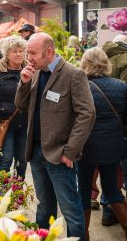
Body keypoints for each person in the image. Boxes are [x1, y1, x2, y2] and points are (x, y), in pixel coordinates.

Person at [15, 32, 95, 240]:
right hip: (36, 152)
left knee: (71, 212)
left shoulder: (73, 74)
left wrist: (71, 151)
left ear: (49, 51)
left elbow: (87, 114)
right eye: (27, 53)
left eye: (32, 53)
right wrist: (23, 83)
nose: (28, 58)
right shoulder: (35, 72)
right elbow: (21, 106)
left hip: (60, 154)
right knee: (44, 207)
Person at [77, 47, 127, 240]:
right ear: (106, 63)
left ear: (85, 64)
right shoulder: (121, 86)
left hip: (86, 147)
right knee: (112, 189)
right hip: (112, 147)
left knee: (83, 191)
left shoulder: (80, 86)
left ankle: (84, 235)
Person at [0, 36, 28, 178]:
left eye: (21, 51)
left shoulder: (31, 72)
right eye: (15, 51)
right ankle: (0, 195)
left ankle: (18, 196)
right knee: (5, 159)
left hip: (25, 124)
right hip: (5, 123)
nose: (19, 54)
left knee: (22, 161)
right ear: (7, 54)